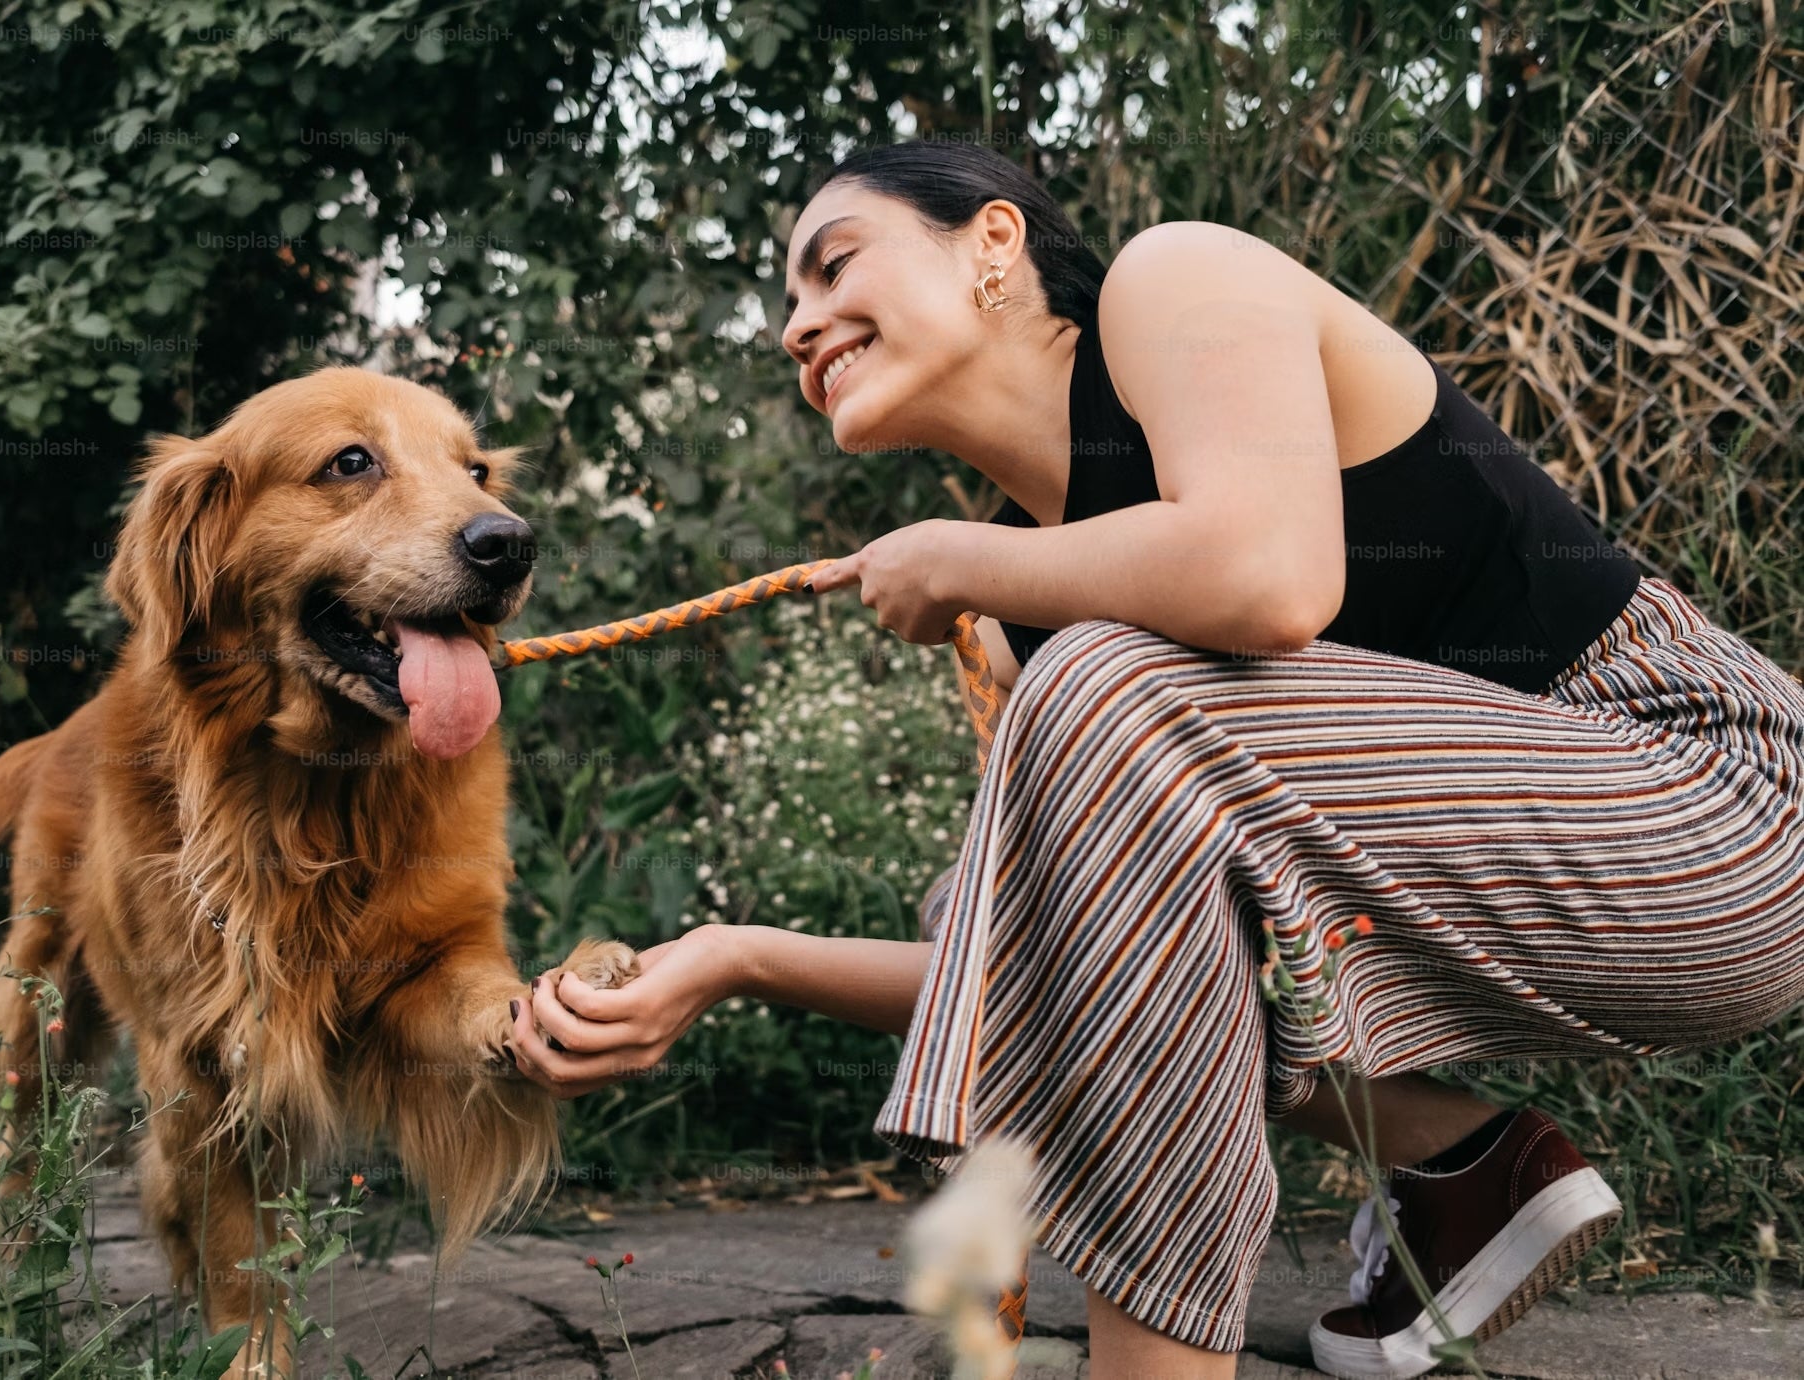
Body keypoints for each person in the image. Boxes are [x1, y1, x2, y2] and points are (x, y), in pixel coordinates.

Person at [503, 140, 1804, 1379]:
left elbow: (1265, 574)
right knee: (992, 891)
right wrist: (733, 957)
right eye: (784, 301)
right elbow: (1035, 965)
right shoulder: (1040, 617)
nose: (794, 323)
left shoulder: (1172, 282)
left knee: (1100, 676)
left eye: (832, 265)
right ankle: (1461, 1166)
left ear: (992, 245)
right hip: (1550, 882)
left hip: (1711, 807)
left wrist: (961, 559)